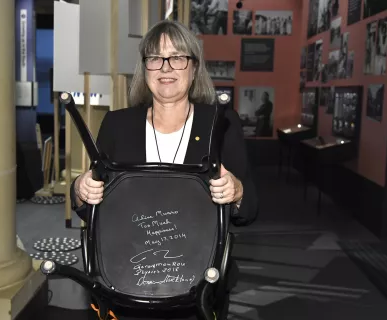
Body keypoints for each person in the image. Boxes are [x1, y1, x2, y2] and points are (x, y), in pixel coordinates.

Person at [70, 19, 258, 319]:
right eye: (155, 58)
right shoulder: (118, 125)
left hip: (199, 290)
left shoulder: (220, 123)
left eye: (178, 57)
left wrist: (235, 190)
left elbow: (248, 210)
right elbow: (89, 207)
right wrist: (81, 189)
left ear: (194, 68)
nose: (166, 67)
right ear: (145, 69)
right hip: (125, 284)